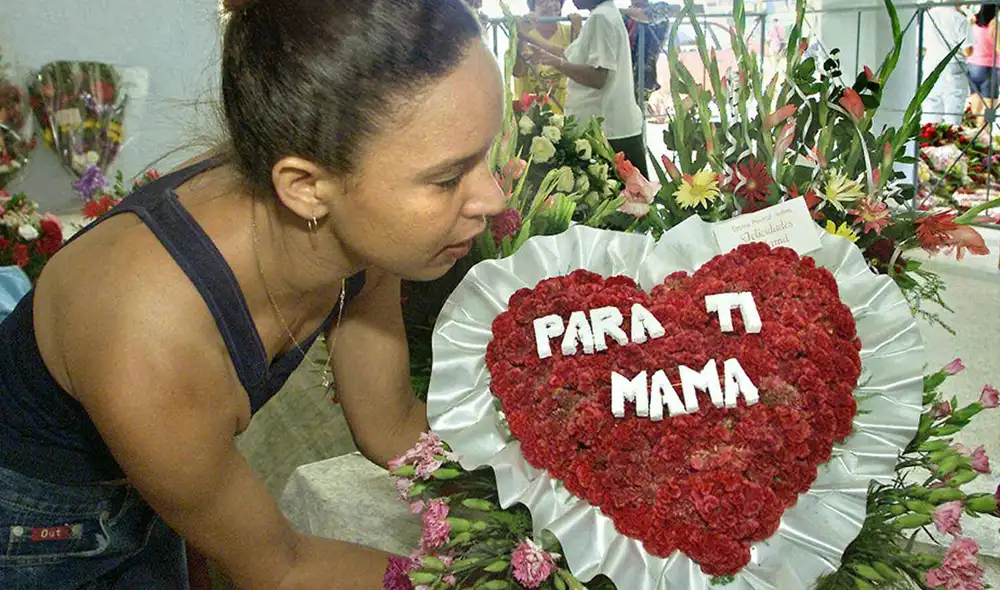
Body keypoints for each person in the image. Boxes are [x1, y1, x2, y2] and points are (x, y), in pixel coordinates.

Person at [0, 0, 504, 588]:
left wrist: (558, 480)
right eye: (448, 177)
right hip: (34, 530)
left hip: (163, 484)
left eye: (486, 155)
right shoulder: (149, 330)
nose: (493, 198)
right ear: (306, 186)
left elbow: (391, 429)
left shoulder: (362, 236)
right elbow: (279, 567)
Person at [521, 0, 649, 177]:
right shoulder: (604, 14)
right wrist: (527, 37)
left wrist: (557, 63)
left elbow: (597, 78)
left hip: (608, 133)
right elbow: (569, 54)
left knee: (624, 200)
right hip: (611, 128)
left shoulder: (600, 18)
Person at [513, 0, 580, 114]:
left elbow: (578, 65)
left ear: (560, 7)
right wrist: (523, 37)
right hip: (530, 117)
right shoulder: (521, 32)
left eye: (555, 0)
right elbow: (518, 72)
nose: (549, 4)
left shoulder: (571, 30)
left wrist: (578, 33)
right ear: (532, 7)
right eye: (542, 1)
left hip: (565, 112)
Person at [921, 4, 972, 126]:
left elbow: (921, 46)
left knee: (932, 104)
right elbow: (967, 50)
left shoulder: (928, 16)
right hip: (952, 65)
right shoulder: (959, 18)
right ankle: (950, 139)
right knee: (953, 106)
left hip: (930, 63)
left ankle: (930, 139)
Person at [622, 1, 672, 102]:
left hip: (643, 76)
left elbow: (646, 16)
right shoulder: (624, 16)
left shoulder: (661, 8)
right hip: (620, 75)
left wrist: (619, 11)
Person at [966, 3, 1000, 125]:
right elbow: (999, 48)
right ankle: (982, 137)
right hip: (989, 68)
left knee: (975, 103)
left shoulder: (972, 22)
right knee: (989, 107)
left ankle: (972, 134)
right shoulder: (994, 24)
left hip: (972, 65)